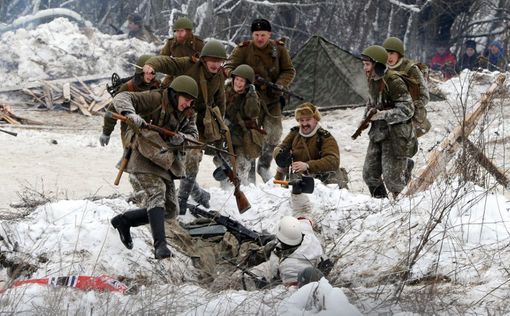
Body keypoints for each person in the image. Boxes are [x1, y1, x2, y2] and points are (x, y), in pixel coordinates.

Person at [110, 75, 199, 259]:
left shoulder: (189, 112)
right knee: (156, 194)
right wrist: (130, 114)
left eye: (191, 101)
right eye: (186, 100)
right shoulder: (156, 98)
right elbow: (121, 98)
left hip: (164, 160)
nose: (188, 104)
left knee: (170, 210)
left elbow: (193, 135)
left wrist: (182, 137)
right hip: (143, 155)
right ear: (175, 94)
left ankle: (124, 221)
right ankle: (161, 247)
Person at [142, 40, 228, 214]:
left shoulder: (219, 75)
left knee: (193, 158)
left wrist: (221, 126)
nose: (216, 64)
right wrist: (151, 64)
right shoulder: (189, 65)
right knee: (168, 156)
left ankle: (181, 200)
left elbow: (220, 100)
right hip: (175, 115)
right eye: (213, 60)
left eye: (220, 61)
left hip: (200, 122)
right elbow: (166, 62)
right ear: (204, 59)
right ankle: (191, 193)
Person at [224, 18, 296, 183]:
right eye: (256, 35)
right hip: (249, 102)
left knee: (274, 134)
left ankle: (264, 166)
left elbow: (289, 70)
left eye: (263, 35)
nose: (259, 38)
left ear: (269, 34)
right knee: (252, 136)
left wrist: (279, 84)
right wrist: (243, 78)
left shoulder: (278, 50)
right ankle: (248, 176)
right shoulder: (243, 50)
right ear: (252, 34)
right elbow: (228, 67)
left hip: (272, 100)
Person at [360, 45, 417, 199]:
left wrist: (382, 115)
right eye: (363, 64)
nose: (364, 68)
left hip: (395, 135)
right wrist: (366, 118)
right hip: (378, 133)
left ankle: (402, 209)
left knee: (394, 181)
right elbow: (372, 102)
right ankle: (381, 206)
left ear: (377, 64)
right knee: (369, 174)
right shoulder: (372, 80)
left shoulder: (394, 81)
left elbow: (407, 109)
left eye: (367, 64)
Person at [273, 102, 345, 215]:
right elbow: (280, 148)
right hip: (300, 182)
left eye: (308, 120)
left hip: (324, 183)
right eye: (301, 120)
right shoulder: (294, 133)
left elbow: (333, 161)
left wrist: (307, 165)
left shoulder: (325, 137)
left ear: (315, 119)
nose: (304, 124)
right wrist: (280, 155)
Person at [99, 55, 161, 148]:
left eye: (153, 72)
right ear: (140, 71)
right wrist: (106, 133)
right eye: (148, 72)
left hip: (151, 127)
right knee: (130, 153)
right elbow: (112, 110)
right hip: (130, 128)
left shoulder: (157, 86)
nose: (151, 75)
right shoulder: (128, 87)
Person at [246, 216, 324, 289]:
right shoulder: (306, 232)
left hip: (274, 269)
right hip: (277, 260)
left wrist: (266, 287)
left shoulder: (289, 267)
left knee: (244, 278)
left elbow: (290, 291)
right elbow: (304, 220)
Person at [224, 64, 264, 185]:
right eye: (236, 79)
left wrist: (251, 95)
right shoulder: (225, 90)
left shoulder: (251, 95)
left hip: (243, 135)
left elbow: (252, 112)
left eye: (242, 81)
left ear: (247, 83)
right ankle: (225, 188)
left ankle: (242, 187)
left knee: (242, 164)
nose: (238, 83)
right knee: (223, 161)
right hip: (226, 132)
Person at [383, 37, 430, 138]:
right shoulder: (382, 69)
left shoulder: (410, 69)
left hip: (410, 111)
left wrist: (409, 105)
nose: (388, 57)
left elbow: (424, 96)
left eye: (392, 53)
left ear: (399, 54)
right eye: (386, 53)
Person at [160, 16, 205, 88]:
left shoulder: (198, 43)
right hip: (176, 72)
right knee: (164, 89)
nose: (179, 34)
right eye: (177, 31)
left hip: (194, 74)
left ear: (188, 32)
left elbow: (205, 60)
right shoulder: (171, 43)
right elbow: (162, 58)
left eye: (181, 31)